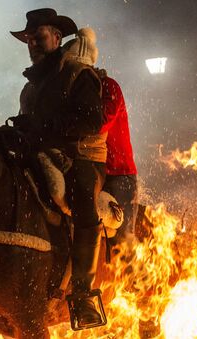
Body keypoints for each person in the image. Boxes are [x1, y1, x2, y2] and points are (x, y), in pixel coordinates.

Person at [9, 8, 106, 330]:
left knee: (82, 201)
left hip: (75, 157)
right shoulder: (32, 85)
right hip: (37, 152)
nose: (32, 44)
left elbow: (91, 121)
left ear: (56, 36)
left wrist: (41, 128)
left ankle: (83, 295)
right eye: (28, 40)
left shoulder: (78, 73)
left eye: (38, 37)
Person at [67, 26, 139, 245]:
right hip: (89, 167)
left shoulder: (109, 87)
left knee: (120, 242)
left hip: (118, 174)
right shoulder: (73, 91)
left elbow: (98, 123)